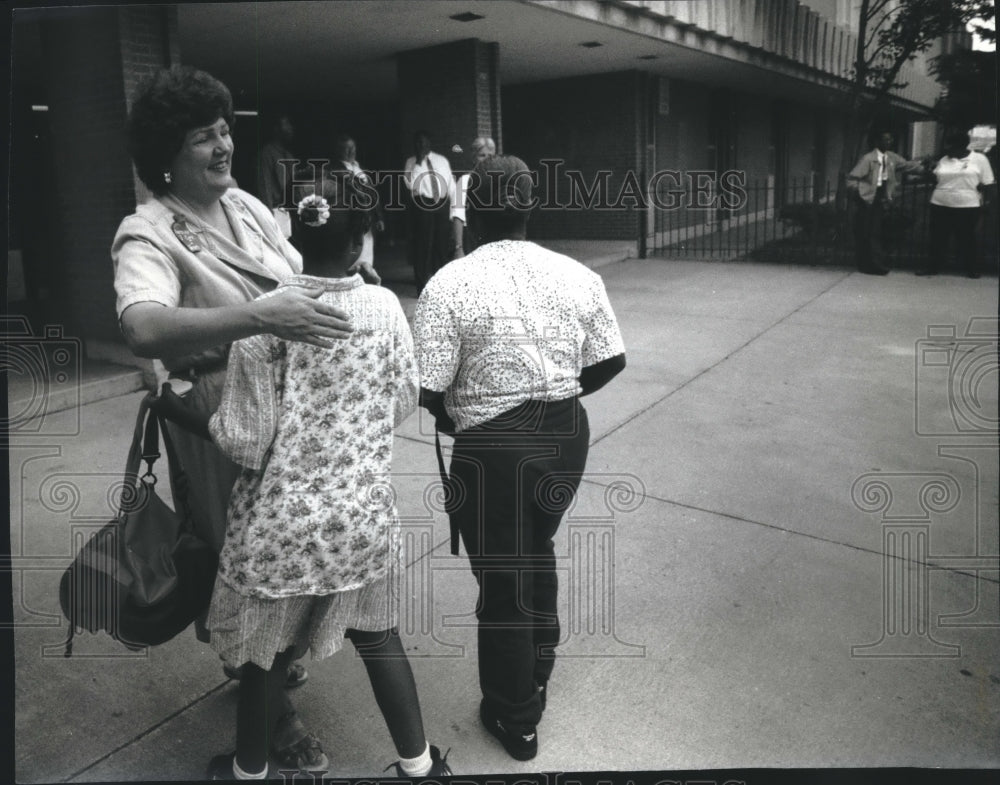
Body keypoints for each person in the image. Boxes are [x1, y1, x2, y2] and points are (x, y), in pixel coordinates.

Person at [159, 171, 449, 780]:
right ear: (359, 242)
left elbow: (246, 439)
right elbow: (403, 398)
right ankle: (419, 767)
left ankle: (249, 772)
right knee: (378, 636)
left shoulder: (267, 320)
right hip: (362, 518)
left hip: (281, 527)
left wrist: (183, 407)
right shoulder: (384, 307)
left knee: (263, 659)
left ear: (296, 231)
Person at [112, 65, 349, 765]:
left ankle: (263, 667)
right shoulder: (147, 232)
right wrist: (257, 315)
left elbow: (293, 274)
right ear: (166, 156)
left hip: (288, 406)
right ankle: (277, 721)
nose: (223, 147)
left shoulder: (244, 205)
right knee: (247, 566)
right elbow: (143, 326)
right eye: (201, 139)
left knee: (293, 551)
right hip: (218, 417)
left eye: (224, 130)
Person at [413, 155, 626, 761]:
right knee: (534, 548)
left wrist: (470, 415)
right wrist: (552, 394)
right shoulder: (576, 273)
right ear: (529, 208)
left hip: (492, 448)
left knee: (504, 580)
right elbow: (611, 359)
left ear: (472, 212)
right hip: (565, 436)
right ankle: (537, 667)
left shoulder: (449, 282)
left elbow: (428, 386)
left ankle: (516, 716)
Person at [846, 130, 929, 275]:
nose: (889, 142)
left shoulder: (891, 157)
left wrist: (926, 170)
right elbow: (852, 179)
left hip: (881, 197)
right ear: (877, 142)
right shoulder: (868, 159)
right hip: (867, 197)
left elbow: (908, 166)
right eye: (885, 140)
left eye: (890, 140)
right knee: (868, 231)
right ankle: (873, 265)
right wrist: (859, 193)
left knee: (876, 231)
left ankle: (872, 264)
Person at [919, 128, 996, 278]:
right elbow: (936, 179)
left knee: (967, 238)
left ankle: (971, 268)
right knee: (938, 238)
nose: (946, 149)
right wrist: (928, 172)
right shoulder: (944, 160)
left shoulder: (980, 159)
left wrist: (987, 203)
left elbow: (988, 183)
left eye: (950, 146)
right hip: (940, 204)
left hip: (967, 206)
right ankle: (932, 267)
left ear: (961, 146)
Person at [403, 130, 453, 293]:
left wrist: (453, 207)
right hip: (423, 205)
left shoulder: (441, 160)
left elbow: (450, 183)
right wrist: (418, 162)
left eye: (424, 142)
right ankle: (422, 287)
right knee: (422, 246)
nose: (421, 146)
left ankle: (443, 285)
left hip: (442, 205)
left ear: (429, 143)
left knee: (441, 245)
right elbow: (411, 185)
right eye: (418, 143)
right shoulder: (411, 162)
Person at [335, 133, 383, 283]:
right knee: (353, 256)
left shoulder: (360, 169)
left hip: (367, 221)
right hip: (352, 221)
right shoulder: (336, 169)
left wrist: (379, 217)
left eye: (353, 148)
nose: (351, 151)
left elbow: (373, 194)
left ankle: (367, 280)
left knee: (367, 255)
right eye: (346, 149)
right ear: (339, 151)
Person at [450, 136, 496, 258]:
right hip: (472, 240)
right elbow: (457, 216)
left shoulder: (499, 182)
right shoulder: (465, 181)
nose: (486, 159)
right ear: (474, 158)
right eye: (482, 155)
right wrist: (458, 248)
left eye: (490, 156)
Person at [257, 111, 297, 238]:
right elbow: (265, 187)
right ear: (276, 129)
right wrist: (269, 218)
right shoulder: (267, 154)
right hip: (275, 212)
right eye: (287, 125)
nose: (290, 129)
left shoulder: (289, 156)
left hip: (291, 213)